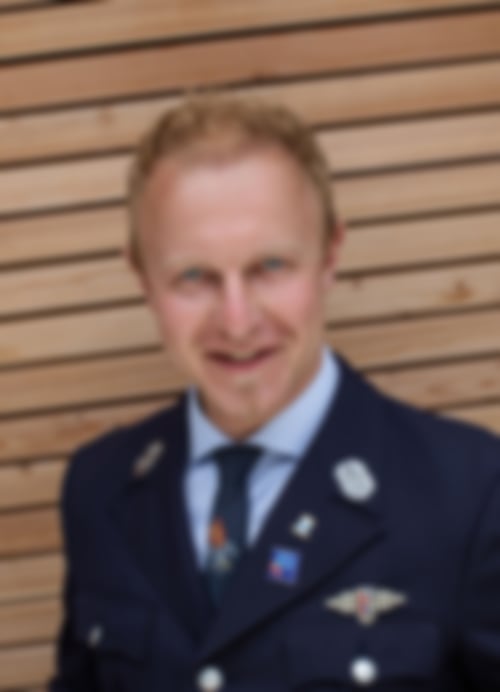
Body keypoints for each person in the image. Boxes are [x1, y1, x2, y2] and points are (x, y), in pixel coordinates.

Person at [50, 95, 500, 692]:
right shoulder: (100, 488)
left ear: (330, 256)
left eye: (270, 266)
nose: (237, 323)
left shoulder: (471, 493)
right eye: (194, 276)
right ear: (142, 278)